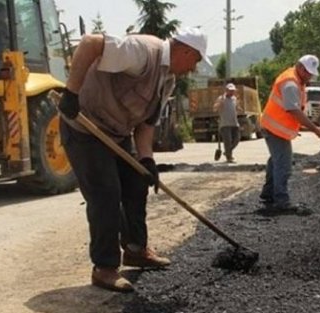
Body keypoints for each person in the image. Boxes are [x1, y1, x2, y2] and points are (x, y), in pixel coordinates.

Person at [57, 27, 210, 293]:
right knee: (106, 194)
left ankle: (136, 250)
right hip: (85, 127)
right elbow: (91, 42)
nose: (193, 68)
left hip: (116, 133)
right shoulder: (143, 52)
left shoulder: (168, 80)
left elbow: (146, 125)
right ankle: (104, 268)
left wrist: (147, 160)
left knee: (137, 182)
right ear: (185, 50)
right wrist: (71, 92)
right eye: (195, 61)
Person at [259, 55, 320, 213]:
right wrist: (315, 129)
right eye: (309, 73)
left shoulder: (296, 80)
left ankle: (268, 193)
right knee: (283, 164)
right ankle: (281, 201)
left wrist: (315, 127)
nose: (310, 76)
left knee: (275, 161)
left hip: (275, 127)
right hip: (274, 129)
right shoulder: (290, 83)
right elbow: (294, 111)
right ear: (301, 68)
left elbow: (294, 113)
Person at [213, 83, 241, 163]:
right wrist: (219, 104)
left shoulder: (234, 99)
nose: (232, 92)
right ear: (226, 90)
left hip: (234, 123)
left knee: (237, 139)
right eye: (230, 90)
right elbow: (214, 109)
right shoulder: (221, 98)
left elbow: (236, 108)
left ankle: (227, 152)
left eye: (233, 91)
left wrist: (239, 108)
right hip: (225, 124)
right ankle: (229, 157)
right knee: (227, 141)